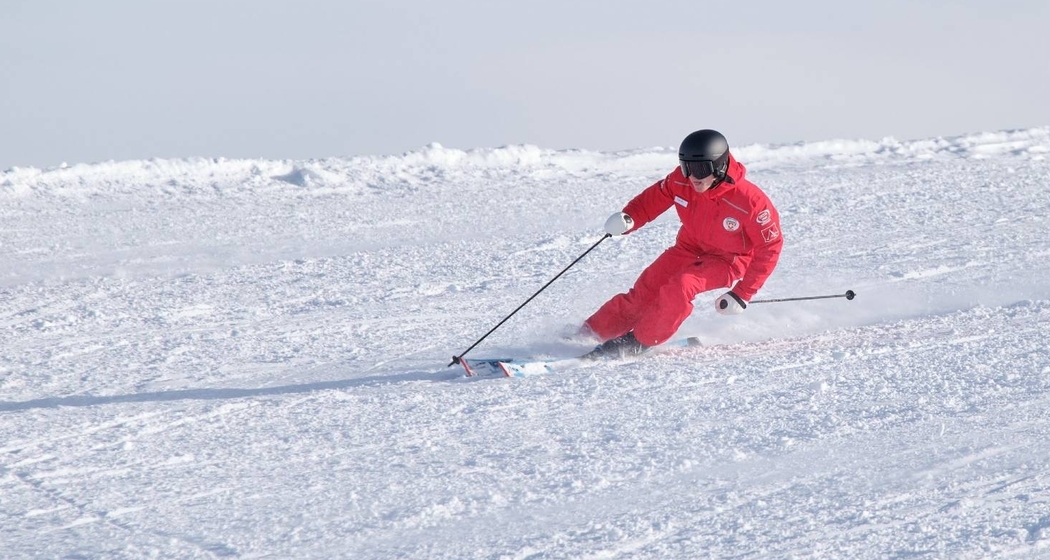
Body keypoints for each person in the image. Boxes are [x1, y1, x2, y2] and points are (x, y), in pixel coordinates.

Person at [582, 129, 783, 359]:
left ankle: (639, 341)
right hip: (688, 248)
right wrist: (629, 218)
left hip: (728, 260)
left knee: (681, 287)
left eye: (701, 169)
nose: (693, 176)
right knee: (646, 290)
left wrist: (742, 293)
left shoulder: (751, 201)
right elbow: (652, 200)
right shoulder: (681, 180)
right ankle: (590, 333)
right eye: (687, 167)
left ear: (719, 166)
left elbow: (771, 246)